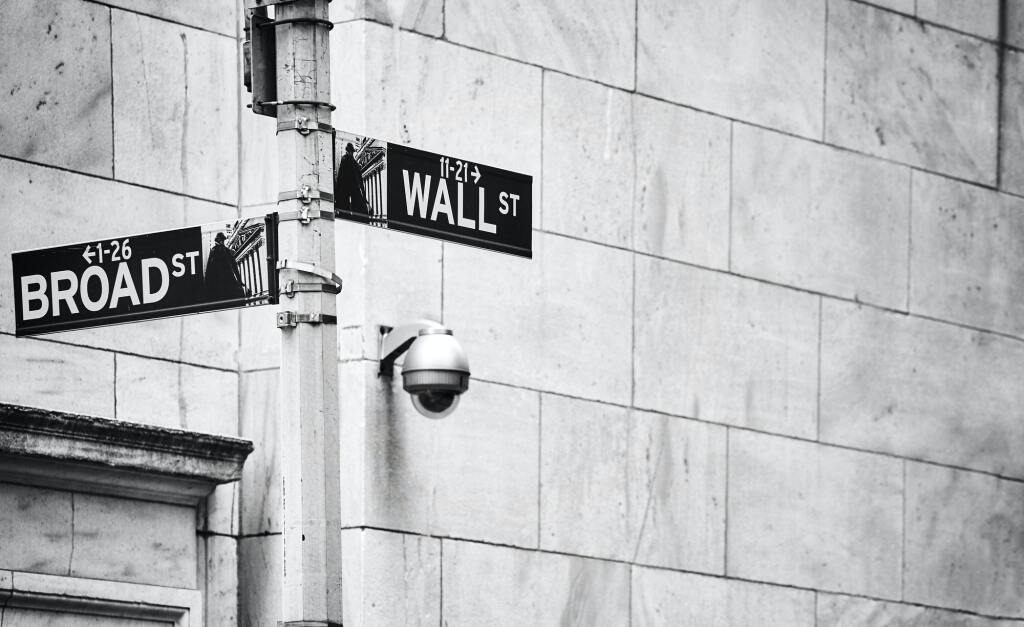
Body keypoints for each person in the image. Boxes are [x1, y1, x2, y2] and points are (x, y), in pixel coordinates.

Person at [204, 232, 246, 301]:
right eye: (221, 240)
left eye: (223, 240)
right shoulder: (217, 250)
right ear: (218, 240)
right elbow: (209, 269)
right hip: (222, 281)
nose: (222, 241)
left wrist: (239, 280)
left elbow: (234, 266)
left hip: (223, 281)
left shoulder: (219, 250)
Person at [335, 142, 368, 220]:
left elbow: (340, 176)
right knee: (350, 208)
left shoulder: (352, 162)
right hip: (349, 188)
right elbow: (341, 176)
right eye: (350, 151)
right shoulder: (349, 161)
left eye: (351, 151)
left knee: (352, 208)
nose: (350, 153)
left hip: (350, 188)